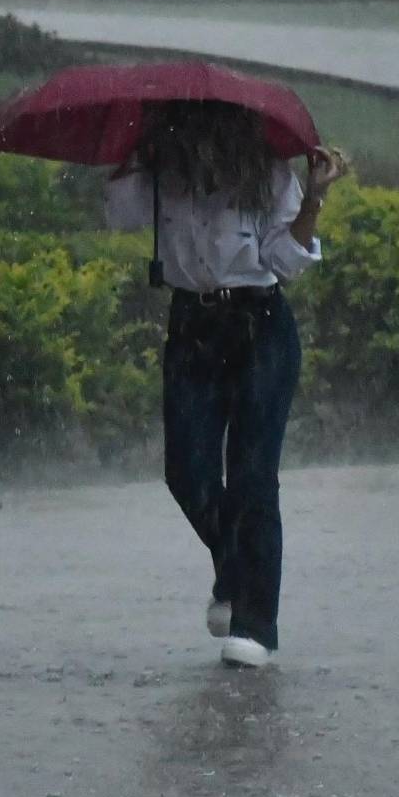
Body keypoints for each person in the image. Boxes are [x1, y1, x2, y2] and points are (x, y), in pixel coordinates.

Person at [104, 100, 350, 669]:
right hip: (192, 325)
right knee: (185, 470)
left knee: (252, 475)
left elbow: (286, 261)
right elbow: (119, 216)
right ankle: (235, 568)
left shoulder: (267, 176)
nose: (203, 146)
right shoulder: (161, 172)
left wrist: (315, 195)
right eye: (191, 133)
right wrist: (126, 149)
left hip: (260, 326)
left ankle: (256, 624)